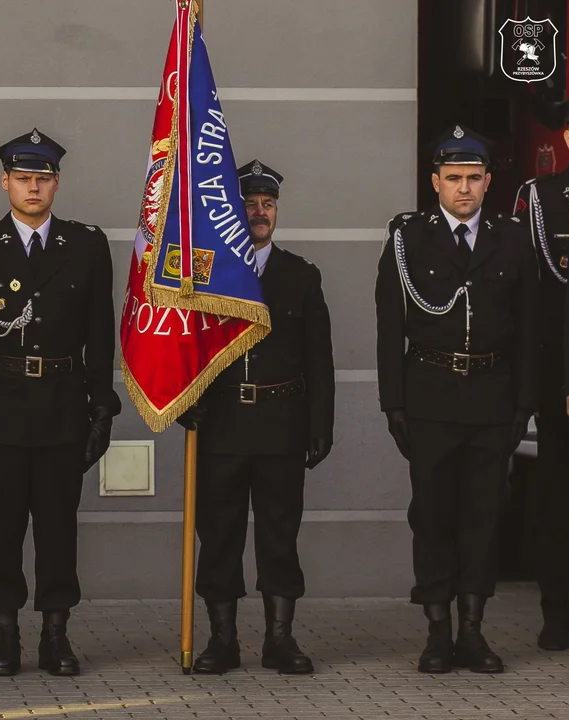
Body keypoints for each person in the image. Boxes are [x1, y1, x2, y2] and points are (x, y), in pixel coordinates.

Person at [0, 128, 121, 677]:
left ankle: (56, 637)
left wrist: (102, 406)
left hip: (64, 407)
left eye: (43, 179)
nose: (33, 188)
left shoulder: (86, 244)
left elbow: (99, 331)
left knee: (59, 528)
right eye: (23, 179)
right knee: (0, 528)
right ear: (5, 183)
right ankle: (4, 636)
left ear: (57, 184)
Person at [375, 125, 538, 674]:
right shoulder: (408, 239)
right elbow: (388, 327)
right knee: (433, 516)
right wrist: (393, 406)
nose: (463, 189)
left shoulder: (512, 238)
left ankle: (473, 631)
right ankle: (437, 633)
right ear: (435, 182)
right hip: (429, 398)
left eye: (473, 178)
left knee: (482, 518)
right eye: (453, 179)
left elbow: (529, 328)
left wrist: (523, 405)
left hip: (492, 400)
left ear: (489, 182)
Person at [176, 160, 334, 676]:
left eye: (267, 204)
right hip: (220, 425)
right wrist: (184, 401)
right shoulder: (205, 273)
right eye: (249, 204)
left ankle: (279, 640)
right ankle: (222, 642)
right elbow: (184, 348)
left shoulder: (300, 275)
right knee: (218, 536)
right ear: (232, 212)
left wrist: (320, 425)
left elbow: (319, 359)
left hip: (282, 423)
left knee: (279, 536)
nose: (259, 213)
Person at [514, 98, 569, 651]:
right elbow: (528, 299)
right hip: (560, 383)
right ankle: (558, 609)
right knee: (558, 498)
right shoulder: (542, 198)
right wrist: (538, 385)